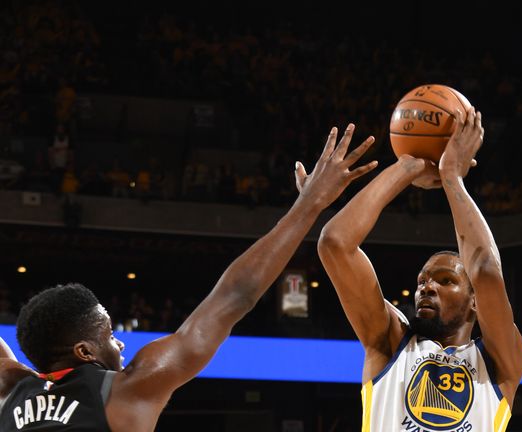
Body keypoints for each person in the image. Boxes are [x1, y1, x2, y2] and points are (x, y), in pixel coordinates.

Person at [0, 124, 377, 431]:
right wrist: (309, 204)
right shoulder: (128, 390)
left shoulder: (10, 391)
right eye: (109, 336)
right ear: (84, 352)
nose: (120, 345)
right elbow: (234, 296)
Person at [318, 108, 522, 431]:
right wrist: (409, 165)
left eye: (446, 281)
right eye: (423, 281)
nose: (427, 287)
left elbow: (485, 271)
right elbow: (335, 243)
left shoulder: (499, 360)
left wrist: (452, 178)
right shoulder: (390, 340)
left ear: (475, 301)